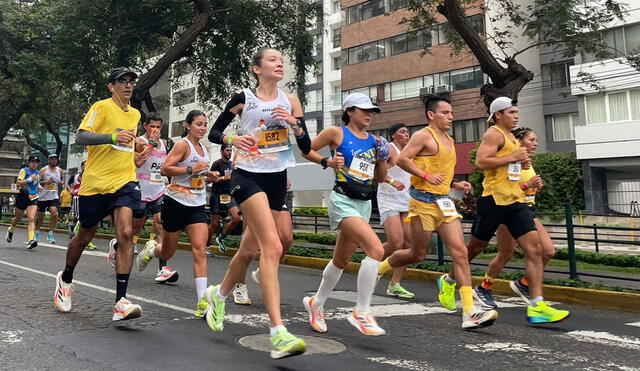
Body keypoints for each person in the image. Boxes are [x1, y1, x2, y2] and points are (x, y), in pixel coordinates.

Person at [206, 48, 313, 359]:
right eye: (272, 59)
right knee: (274, 246)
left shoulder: (290, 100)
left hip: (276, 177)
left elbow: (304, 145)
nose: (279, 63)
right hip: (247, 175)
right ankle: (278, 332)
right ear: (256, 69)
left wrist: (294, 124)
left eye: (282, 60)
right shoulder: (243, 98)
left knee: (249, 249)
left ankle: (219, 293)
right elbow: (215, 132)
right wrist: (231, 140)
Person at [375, 96, 497, 329]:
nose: (451, 116)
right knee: (416, 254)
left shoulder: (450, 140)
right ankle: (379, 269)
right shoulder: (423, 136)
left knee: (461, 252)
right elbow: (402, 159)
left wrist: (455, 186)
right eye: (445, 113)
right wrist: (425, 176)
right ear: (431, 115)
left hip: (444, 203)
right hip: (421, 203)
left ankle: (469, 312)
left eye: (451, 113)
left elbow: (442, 172)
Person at [453, 96, 568, 324]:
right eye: (512, 112)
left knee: (535, 249)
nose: (516, 116)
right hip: (494, 200)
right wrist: (513, 158)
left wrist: (519, 164)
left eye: (517, 112)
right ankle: (448, 280)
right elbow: (482, 162)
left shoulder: (513, 140)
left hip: (515, 202)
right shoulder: (493, 133)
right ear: (498, 115)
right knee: (476, 248)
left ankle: (536, 306)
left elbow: (509, 166)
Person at [53, 67, 145, 321]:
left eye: (131, 82)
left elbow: (127, 147)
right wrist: (112, 136)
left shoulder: (136, 114)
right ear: (111, 86)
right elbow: (82, 137)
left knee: (126, 232)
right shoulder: (101, 107)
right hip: (95, 184)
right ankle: (66, 278)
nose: (128, 86)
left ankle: (121, 302)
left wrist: (140, 150)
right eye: (122, 82)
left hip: (125, 180)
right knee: (84, 236)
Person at [301, 93, 389, 336]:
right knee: (376, 250)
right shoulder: (336, 133)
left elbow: (380, 178)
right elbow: (306, 150)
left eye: (372, 111)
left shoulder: (374, 140)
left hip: (364, 202)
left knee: (341, 260)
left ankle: (316, 303)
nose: (370, 114)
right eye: (364, 110)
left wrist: (382, 157)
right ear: (349, 111)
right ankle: (362, 312)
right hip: (342, 200)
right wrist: (326, 163)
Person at [137, 110, 218, 315]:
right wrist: (190, 170)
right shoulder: (183, 145)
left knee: (199, 249)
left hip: (197, 205)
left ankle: (202, 302)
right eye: (198, 124)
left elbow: (199, 174)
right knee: (167, 252)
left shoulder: (204, 149)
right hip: (175, 203)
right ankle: (152, 250)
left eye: (205, 124)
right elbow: (165, 169)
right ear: (188, 126)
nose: (202, 127)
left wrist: (210, 176)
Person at [472, 127, 554, 308]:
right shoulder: (512, 159)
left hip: (527, 210)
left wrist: (534, 187)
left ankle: (524, 284)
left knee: (547, 251)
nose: (536, 143)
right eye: (531, 140)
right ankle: (484, 287)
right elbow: (508, 187)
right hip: (508, 209)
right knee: (505, 254)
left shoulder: (527, 161)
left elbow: (524, 187)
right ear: (519, 141)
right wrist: (527, 185)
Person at [117, 112, 178, 283]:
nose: (155, 130)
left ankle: (162, 269)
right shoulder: (139, 142)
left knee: (161, 224)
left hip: (159, 189)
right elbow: (139, 162)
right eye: (152, 126)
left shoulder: (165, 144)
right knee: (135, 229)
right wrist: (151, 143)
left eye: (158, 127)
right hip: (141, 191)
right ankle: (117, 248)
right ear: (145, 126)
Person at [376, 123, 414, 298]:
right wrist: (392, 182)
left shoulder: (411, 152)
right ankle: (371, 259)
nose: (407, 135)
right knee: (396, 243)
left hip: (406, 199)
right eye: (402, 132)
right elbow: (376, 173)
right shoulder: (389, 149)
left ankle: (395, 284)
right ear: (393, 135)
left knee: (408, 245)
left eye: (408, 132)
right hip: (388, 197)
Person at [207, 143, 242, 254]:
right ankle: (205, 245)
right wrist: (223, 178)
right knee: (214, 223)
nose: (229, 152)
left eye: (230, 150)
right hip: (217, 194)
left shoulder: (232, 164)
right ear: (222, 152)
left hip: (229, 195)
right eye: (227, 150)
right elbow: (209, 179)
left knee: (237, 218)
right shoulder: (217, 164)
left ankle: (221, 237)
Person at [6, 156, 41, 249]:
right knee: (18, 218)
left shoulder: (38, 173)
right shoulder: (24, 170)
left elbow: (35, 183)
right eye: (32, 161)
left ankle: (31, 240)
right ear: (29, 163)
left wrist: (39, 186)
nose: (34, 164)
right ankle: (11, 229)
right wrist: (29, 179)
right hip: (23, 196)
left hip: (33, 197)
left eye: (36, 162)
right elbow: (18, 183)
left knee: (31, 218)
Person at [35, 154, 63, 244]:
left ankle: (51, 234)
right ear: (49, 160)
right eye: (52, 159)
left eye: (55, 159)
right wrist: (46, 182)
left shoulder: (60, 170)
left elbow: (60, 182)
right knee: (41, 216)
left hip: (53, 196)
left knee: (54, 213)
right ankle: (37, 232)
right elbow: (36, 182)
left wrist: (60, 192)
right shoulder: (43, 170)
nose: (54, 161)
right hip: (42, 197)